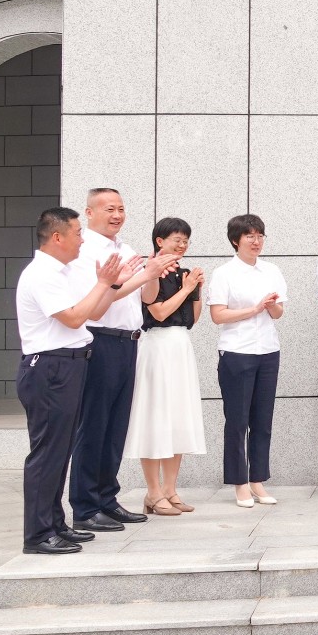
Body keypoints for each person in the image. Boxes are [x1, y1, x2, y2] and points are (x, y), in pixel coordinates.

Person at [14, 208, 135, 555]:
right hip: (50, 367)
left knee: (60, 451)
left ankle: (54, 524)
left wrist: (110, 284)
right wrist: (102, 283)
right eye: (77, 233)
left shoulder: (61, 272)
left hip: (68, 366)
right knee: (47, 454)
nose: (82, 239)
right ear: (57, 237)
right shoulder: (42, 274)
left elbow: (92, 312)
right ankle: (37, 535)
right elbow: (72, 318)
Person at [67, 188, 178, 533]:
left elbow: (146, 297)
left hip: (130, 342)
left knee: (116, 426)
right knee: (94, 425)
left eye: (121, 208)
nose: (117, 215)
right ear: (89, 212)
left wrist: (153, 274)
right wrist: (141, 276)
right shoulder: (85, 252)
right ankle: (85, 507)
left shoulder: (126, 249)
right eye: (109, 209)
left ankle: (107, 499)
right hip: (99, 341)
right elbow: (101, 297)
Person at [123, 217, 206, 517]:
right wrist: (185, 290)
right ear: (160, 241)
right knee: (155, 417)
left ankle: (171, 490)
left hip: (180, 346)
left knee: (178, 418)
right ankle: (153, 492)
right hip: (157, 347)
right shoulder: (152, 272)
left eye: (186, 239)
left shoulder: (184, 273)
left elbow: (192, 320)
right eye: (177, 239)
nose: (182, 244)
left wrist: (197, 289)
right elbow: (157, 313)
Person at [208, 214, 288, 508]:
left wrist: (270, 306)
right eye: (250, 236)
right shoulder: (224, 273)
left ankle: (258, 480)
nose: (256, 242)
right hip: (236, 351)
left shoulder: (272, 270)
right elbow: (218, 315)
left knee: (262, 420)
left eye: (260, 236)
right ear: (235, 240)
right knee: (237, 420)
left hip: (268, 350)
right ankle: (240, 483)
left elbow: (279, 313)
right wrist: (254, 309)